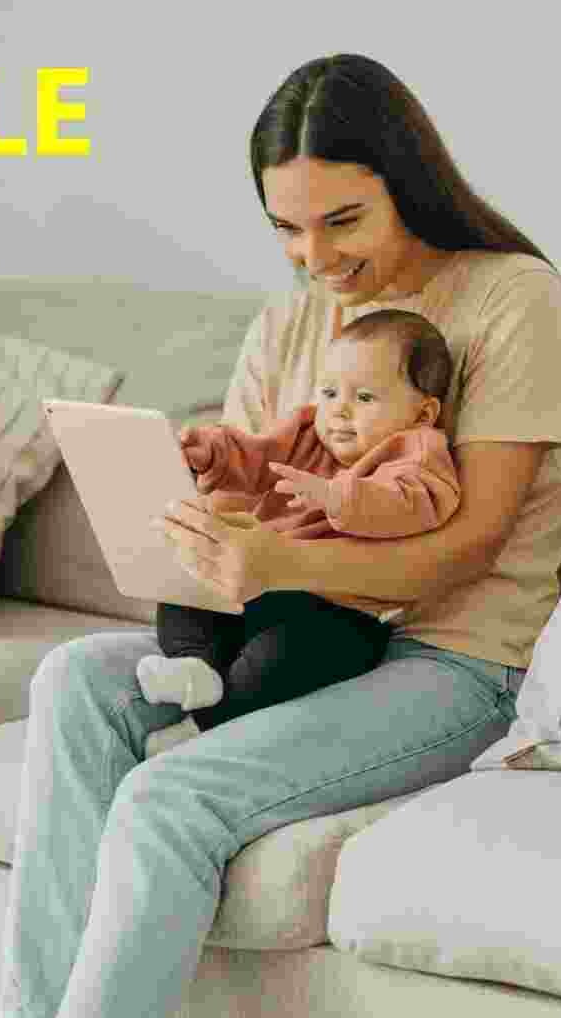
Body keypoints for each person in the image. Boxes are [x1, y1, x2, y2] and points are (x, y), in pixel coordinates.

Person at [0, 53, 561, 1018]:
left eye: (343, 222)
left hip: (451, 663)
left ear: (409, 187)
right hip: (290, 636)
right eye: (286, 227)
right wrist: (191, 510)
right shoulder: (291, 325)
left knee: (173, 796)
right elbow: (256, 490)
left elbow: (464, 546)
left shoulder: (510, 300)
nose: (316, 259)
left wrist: (271, 565)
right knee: (70, 676)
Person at [139, 309, 461, 757]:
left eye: (365, 397)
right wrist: (212, 453)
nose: (340, 411)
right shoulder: (309, 429)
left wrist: (337, 498)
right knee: (186, 585)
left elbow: (417, 504)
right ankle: (194, 665)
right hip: (260, 583)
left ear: (422, 412)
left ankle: (206, 724)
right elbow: (254, 457)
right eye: (330, 392)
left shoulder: (417, 451)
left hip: (335, 609)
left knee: (286, 657)